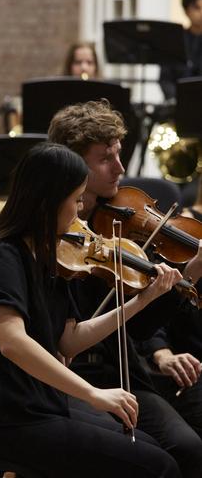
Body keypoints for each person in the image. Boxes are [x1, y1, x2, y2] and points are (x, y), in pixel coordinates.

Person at [0, 141, 182, 477]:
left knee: (149, 447)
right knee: (157, 466)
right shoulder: (0, 255)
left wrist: (141, 300)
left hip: (40, 404)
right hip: (3, 417)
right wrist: (91, 393)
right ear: (47, 201)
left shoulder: (50, 256)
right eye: (75, 199)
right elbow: (12, 342)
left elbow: (70, 340)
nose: (79, 211)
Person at [48, 99, 202, 477]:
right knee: (181, 449)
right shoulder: (52, 237)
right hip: (75, 378)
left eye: (119, 154)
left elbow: (138, 329)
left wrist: (188, 276)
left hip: (125, 371)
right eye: (105, 159)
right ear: (72, 165)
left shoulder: (115, 223)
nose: (120, 168)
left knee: (188, 441)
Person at [160, 0, 202, 101]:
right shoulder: (174, 41)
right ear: (187, 11)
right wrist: (175, 100)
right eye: (197, 8)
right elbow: (165, 78)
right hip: (179, 103)